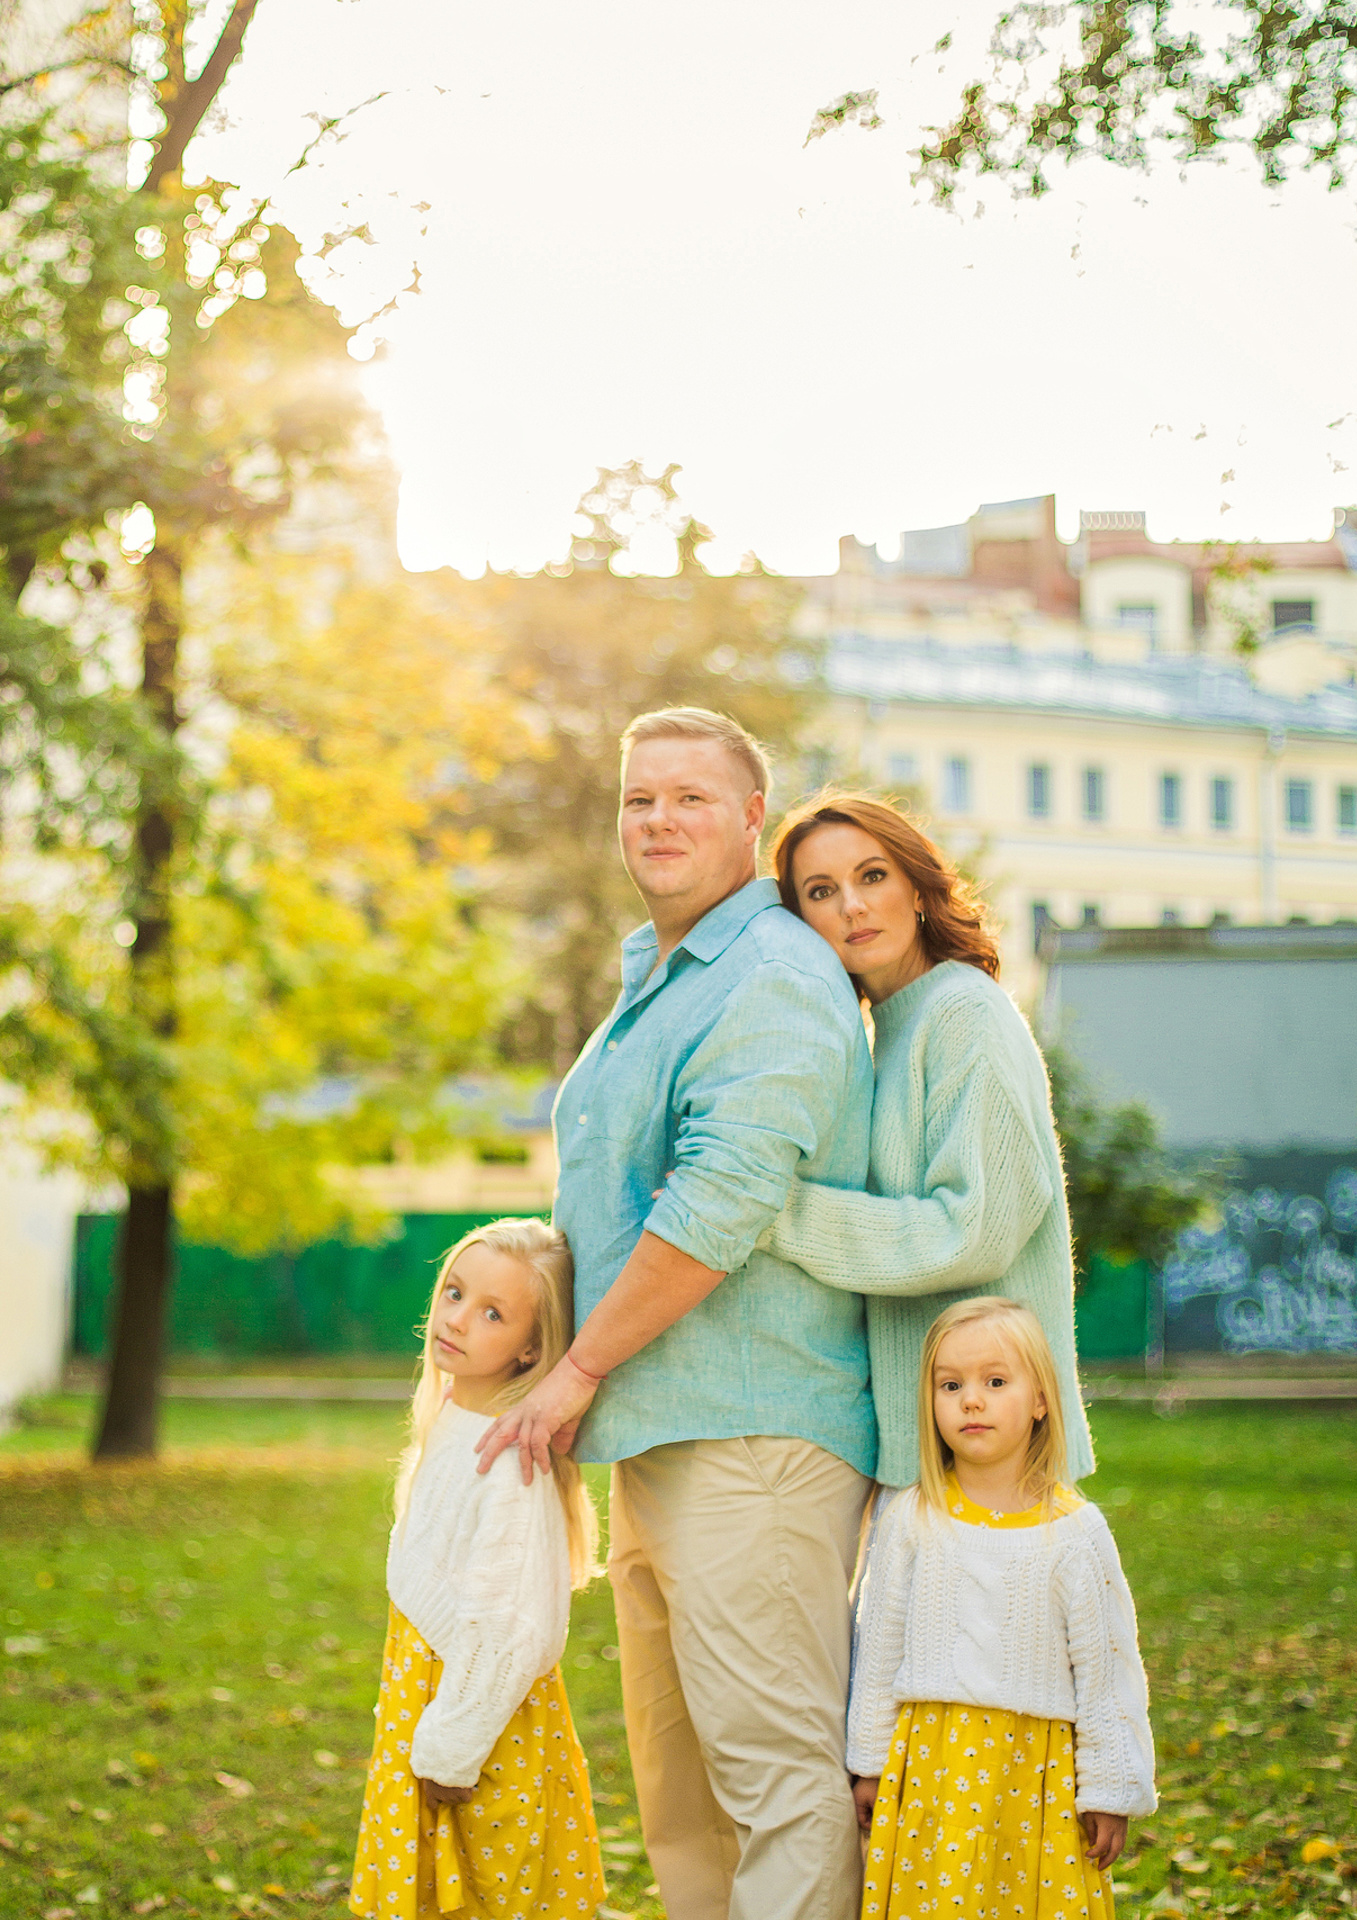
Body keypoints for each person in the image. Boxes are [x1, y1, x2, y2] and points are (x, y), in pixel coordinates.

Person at [477, 708, 877, 1920]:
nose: (659, 820)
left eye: (691, 798)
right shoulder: (663, 975)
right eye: (640, 798)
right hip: (662, 1432)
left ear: (753, 820)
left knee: (775, 1783)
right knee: (680, 1790)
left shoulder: (771, 976)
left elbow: (718, 1204)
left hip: (754, 1437)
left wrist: (576, 1369)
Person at [761, 790, 1094, 1493]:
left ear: (917, 889)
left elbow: (974, 1232)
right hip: (931, 1458)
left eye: (873, 876)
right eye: (822, 891)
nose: (852, 905)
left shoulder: (963, 1014)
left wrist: (769, 1209)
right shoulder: (889, 1032)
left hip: (998, 1467)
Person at [849, 1296, 1156, 1920]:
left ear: (1041, 1399)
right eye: (950, 1384)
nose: (971, 1400)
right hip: (932, 1773)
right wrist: (869, 1764)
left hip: (1037, 1778)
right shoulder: (911, 1519)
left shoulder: (1076, 1533)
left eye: (995, 1382)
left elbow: (1106, 1673)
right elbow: (878, 1648)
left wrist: (1109, 1787)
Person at [349, 1218, 605, 1920]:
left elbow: (509, 1622)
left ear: (530, 1348)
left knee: (488, 1888)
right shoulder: (457, 1421)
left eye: (492, 1313)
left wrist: (452, 1744)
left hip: (476, 1719)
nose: (457, 1319)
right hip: (429, 1693)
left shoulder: (508, 1461)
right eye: (455, 1293)